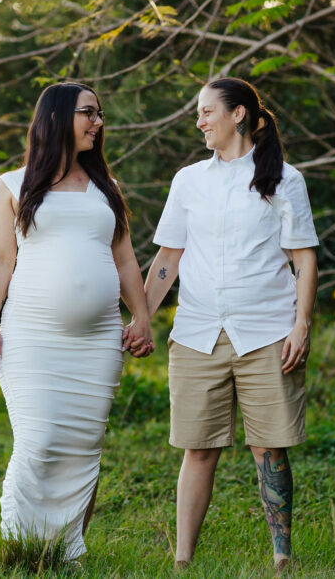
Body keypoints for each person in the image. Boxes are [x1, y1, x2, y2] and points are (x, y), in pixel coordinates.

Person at [137, 77, 319, 571]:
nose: (199, 121)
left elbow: (303, 258)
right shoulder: (188, 180)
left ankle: (282, 557)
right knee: (198, 450)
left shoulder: (284, 179)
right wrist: (139, 318)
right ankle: (183, 559)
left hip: (267, 332)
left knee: (269, 447)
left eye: (206, 112)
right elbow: (166, 260)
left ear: (238, 114)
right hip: (197, 334)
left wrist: (301, 325)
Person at [0, 82, 155, 562]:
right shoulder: (13, 186)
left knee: (82, 450)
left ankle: (66, 551)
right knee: (39, 442)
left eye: (99, 114)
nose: (98, 123)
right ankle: (21, 546)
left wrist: (142, 317)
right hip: (32, 336)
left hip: (97, 343)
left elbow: (124, 262)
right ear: (56, 118)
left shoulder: (106, 190)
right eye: (88, 113)